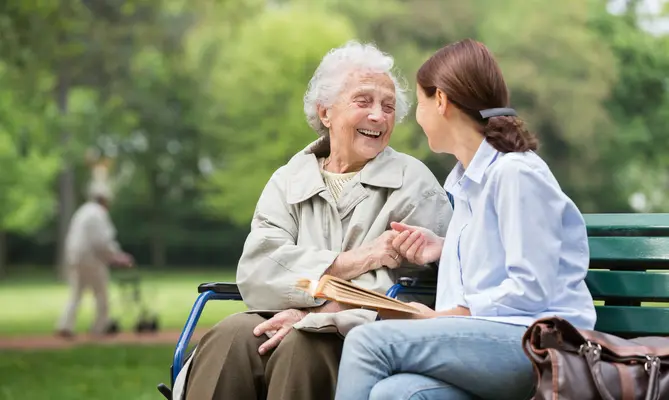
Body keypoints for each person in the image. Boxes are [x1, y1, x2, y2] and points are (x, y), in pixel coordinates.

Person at [180, 41, 453, 400]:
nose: (378, 116)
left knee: (301, 347)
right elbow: (258, 269)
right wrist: (357, 259)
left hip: (361, 331)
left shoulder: (414, 183)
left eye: (388, 107)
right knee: (228, 338)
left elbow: (420, 287)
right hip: (276, 313)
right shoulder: (288, 180)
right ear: (326, 113)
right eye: (363, 101)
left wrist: (320, 314)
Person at [334, 39, 597, 400]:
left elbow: (531, 286)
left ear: (440, 101)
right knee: (396, 393)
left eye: (422, 105)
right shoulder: (469, 182)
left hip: (539, 346)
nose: (418, 118)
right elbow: (505, 255)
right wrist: (443, 248)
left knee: (367, 341)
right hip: (498, 343)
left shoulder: (515, 174)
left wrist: (451, 315)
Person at [55, 179, 134, 338]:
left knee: (76, 293)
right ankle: (100, 327)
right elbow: (102, 241)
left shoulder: (83, 211)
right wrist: (118, 257)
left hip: (75, 258)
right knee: (102, 294)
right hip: (91, 260)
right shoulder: (98, 214)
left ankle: (65, 325)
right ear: (104, 200)